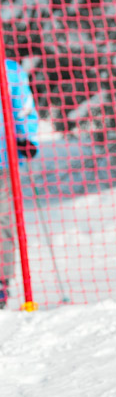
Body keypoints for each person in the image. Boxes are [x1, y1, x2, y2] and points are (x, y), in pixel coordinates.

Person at [0, 59, 39, 308]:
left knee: (2, 218)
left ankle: (1, 281)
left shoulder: (9, 70)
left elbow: (22, 106)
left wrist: (26, 137)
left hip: (2, 159)